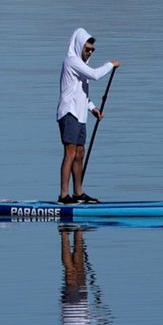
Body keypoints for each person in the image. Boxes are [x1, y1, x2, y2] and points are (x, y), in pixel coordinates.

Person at [57, 28, 119, 203]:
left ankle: (78, 194)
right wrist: (110, 65)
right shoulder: (71, 61)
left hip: (80, 114)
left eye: (92, 49)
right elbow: (95, 75)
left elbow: (82, 93)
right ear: (79, 46)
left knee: (80, 152)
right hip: (68, 113)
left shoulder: (81, 67)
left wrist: (93, 109)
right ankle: (63, 195)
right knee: (70, 152)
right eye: (87, 48)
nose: (90, 51)